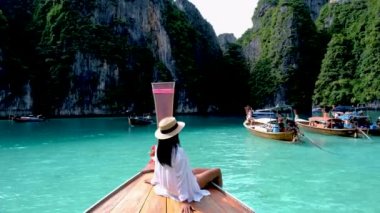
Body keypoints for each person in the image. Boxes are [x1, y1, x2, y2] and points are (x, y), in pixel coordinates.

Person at [148, 116, 223, 212]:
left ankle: (207, 176)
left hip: (168, 187)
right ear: (176, 134)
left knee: (193, 170)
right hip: (187, 188)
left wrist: (154, 181)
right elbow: (181, 178)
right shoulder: (179, 153)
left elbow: (158, 169)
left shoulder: (159, 149)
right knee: (217, 171)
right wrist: (184, 201)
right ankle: (220, 195)